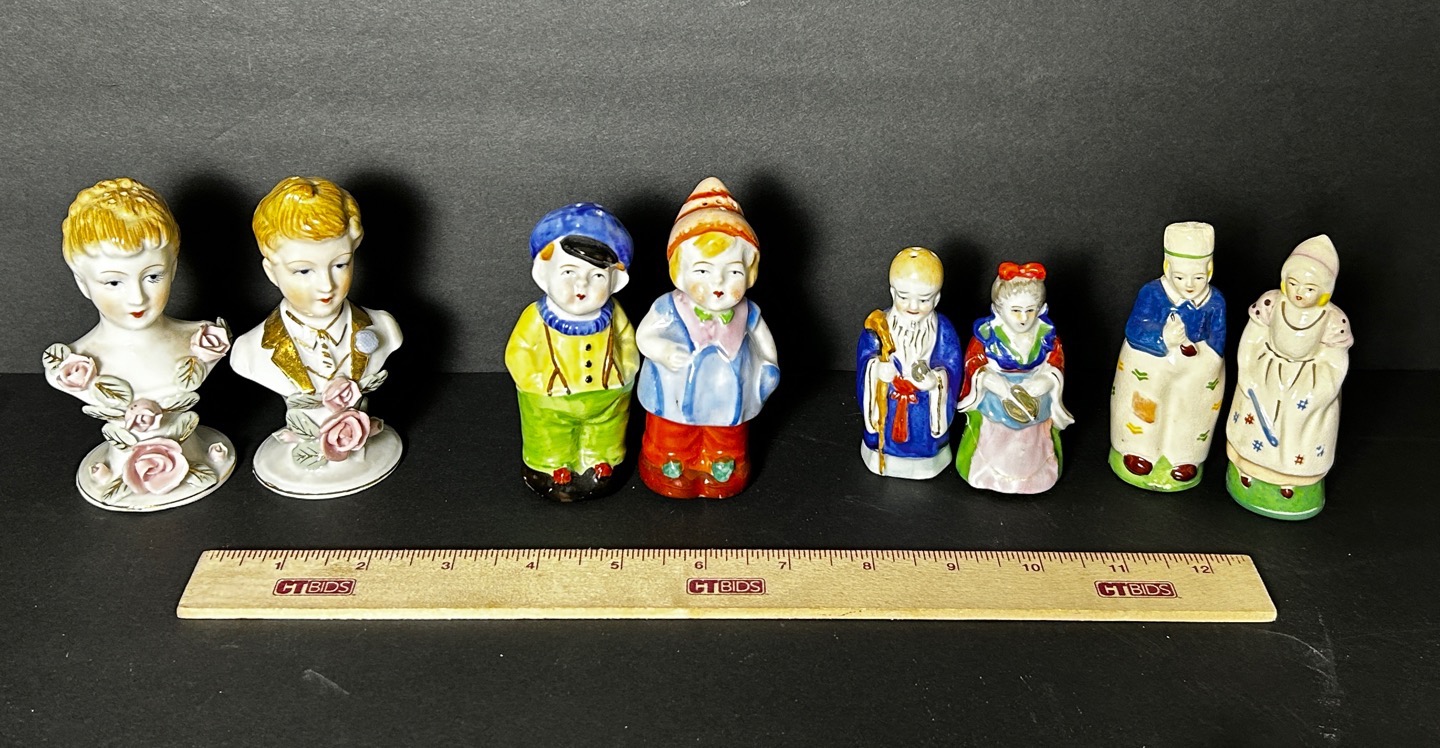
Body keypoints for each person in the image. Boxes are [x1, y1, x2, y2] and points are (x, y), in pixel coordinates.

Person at [43, 177, 235, 510]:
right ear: (82, 281)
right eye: (113, 282)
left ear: (173, 268)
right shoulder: (73, 367)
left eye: (153, 276)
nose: (137, 297)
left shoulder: (204, 342)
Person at [231, 177, 403, 498]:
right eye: (303, 271)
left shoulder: (384, 329)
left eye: (340, 264)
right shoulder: (250, 351)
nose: (326, 286)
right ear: (271, 271)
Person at [635, 177, 780, 499]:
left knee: (726, 433)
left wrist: (769, 367)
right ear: (678, 271)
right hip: (674, 390)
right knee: (673, 430)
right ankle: (670, 462)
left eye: (733, 272)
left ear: (750, 273)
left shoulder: (748, 312)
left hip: (729, 394)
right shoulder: (668, 306)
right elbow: (643, 335)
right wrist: (661, 350)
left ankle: (721, 464)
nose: (718, 284)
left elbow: (764, 342)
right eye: (703, 271)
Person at [505, 203, 639, 502]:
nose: (582, 285)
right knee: (549, 435)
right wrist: (535, 380)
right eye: (568, 272)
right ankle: (551, 467)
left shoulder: (614, 314)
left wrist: (626, 370)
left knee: (606, 432)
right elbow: (518, 350)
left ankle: (601, 462)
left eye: (597, 276)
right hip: (550, 400)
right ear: (543, 273)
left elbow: (627, 341)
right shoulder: (535, 317)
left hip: (607, 395)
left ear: (615, 281)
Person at [1224, 235, 1352, 520]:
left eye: (1309, 288)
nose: (1299, 293)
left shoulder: (1333, 320)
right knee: (1255, 414)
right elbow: (1251, 339)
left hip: (1307, 381)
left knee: (1298, 418)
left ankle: (1292, 484)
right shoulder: (1271, 303)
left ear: (1325, 291)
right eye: (1293, 284)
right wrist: (1248, 372)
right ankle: (1247, 473)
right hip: (1266, 372)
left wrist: (1316, 391)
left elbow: (1335, 361)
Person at [1109, 222, 1227, 491]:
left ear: (1209, 270)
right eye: (1180, 277)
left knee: (1190, 411)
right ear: (1167, 268)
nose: (1189, 285)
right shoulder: (1152, 293)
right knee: (1144, 406)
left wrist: (1209, 357)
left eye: (1198, 277)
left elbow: (1218, 335)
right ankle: (1138, 450)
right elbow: (1135, 327)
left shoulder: (1215, 301)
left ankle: (1184, 458)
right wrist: (1163, 337)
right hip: (1151, 364)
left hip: (1196, 369)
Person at [954, 261, 1073, 494]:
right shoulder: (987, 335)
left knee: (1034, 430)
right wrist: (991, 381)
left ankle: (1035, 476)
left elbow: (1056, 363)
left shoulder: (1047, 336)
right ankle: (987, 473)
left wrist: (1046, 381)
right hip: (996, 396)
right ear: (998, 309)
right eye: (1015, 310)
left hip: (1034, 396)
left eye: (1030, 310)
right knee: (995, 426)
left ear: (1042, 308)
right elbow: (973, 363)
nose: (1023, 318)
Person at [856, 247, 962, 479]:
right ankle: (883, 456)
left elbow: (953, 366)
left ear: (936, 298)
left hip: (923, 406)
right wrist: (876, 369)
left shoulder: (943, 330)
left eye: (923, 300)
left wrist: (936, 381)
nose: (913, 306)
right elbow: (865, 361)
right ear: (893, 293)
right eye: (904, 297)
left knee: (921, 434)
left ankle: (926, 459)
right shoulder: (878, 328)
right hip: (889, 404)